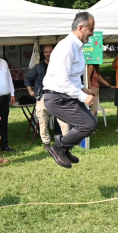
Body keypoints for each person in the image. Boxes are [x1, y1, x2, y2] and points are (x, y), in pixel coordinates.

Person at [42, 11, 98, 168]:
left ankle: (64, 148)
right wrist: (82, 96)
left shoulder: (76, 46)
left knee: (91, 123)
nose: (92, 34)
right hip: (57, 98)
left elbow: (71, 77)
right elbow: (62, 80)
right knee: (88, 125)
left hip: (65, 95)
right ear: (81, 27)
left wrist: (82, 88)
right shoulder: (67, 47)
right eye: (91, 30)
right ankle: (58, 148)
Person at [24, 44, 70, 148]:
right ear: (43, 53)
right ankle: (46, 143)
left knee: (63, 120)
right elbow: (27, 78)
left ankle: (66, 141)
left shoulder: (61, 65)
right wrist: (30, 91)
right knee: (42, 121)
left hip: (58, 95)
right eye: (46, 52)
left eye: (51, 51)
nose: (48, 54)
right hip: (43, 96)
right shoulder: (38, 67)